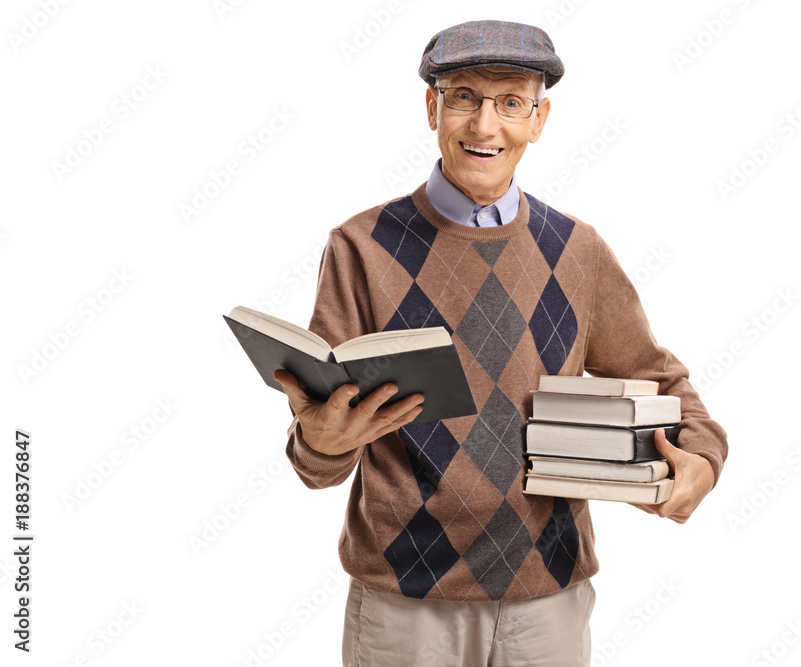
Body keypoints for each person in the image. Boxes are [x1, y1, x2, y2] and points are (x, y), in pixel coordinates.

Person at [272, 19, 728, 667]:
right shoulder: (361, 247)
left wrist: (701, 459)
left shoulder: (579, 251)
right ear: (432, 107)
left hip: (547, 602)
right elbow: (318, 454)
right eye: (464, 97)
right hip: (405, 605)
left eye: (511, 102)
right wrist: (321, 441)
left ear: (539, 120)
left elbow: (665, 384)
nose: (485, 126)